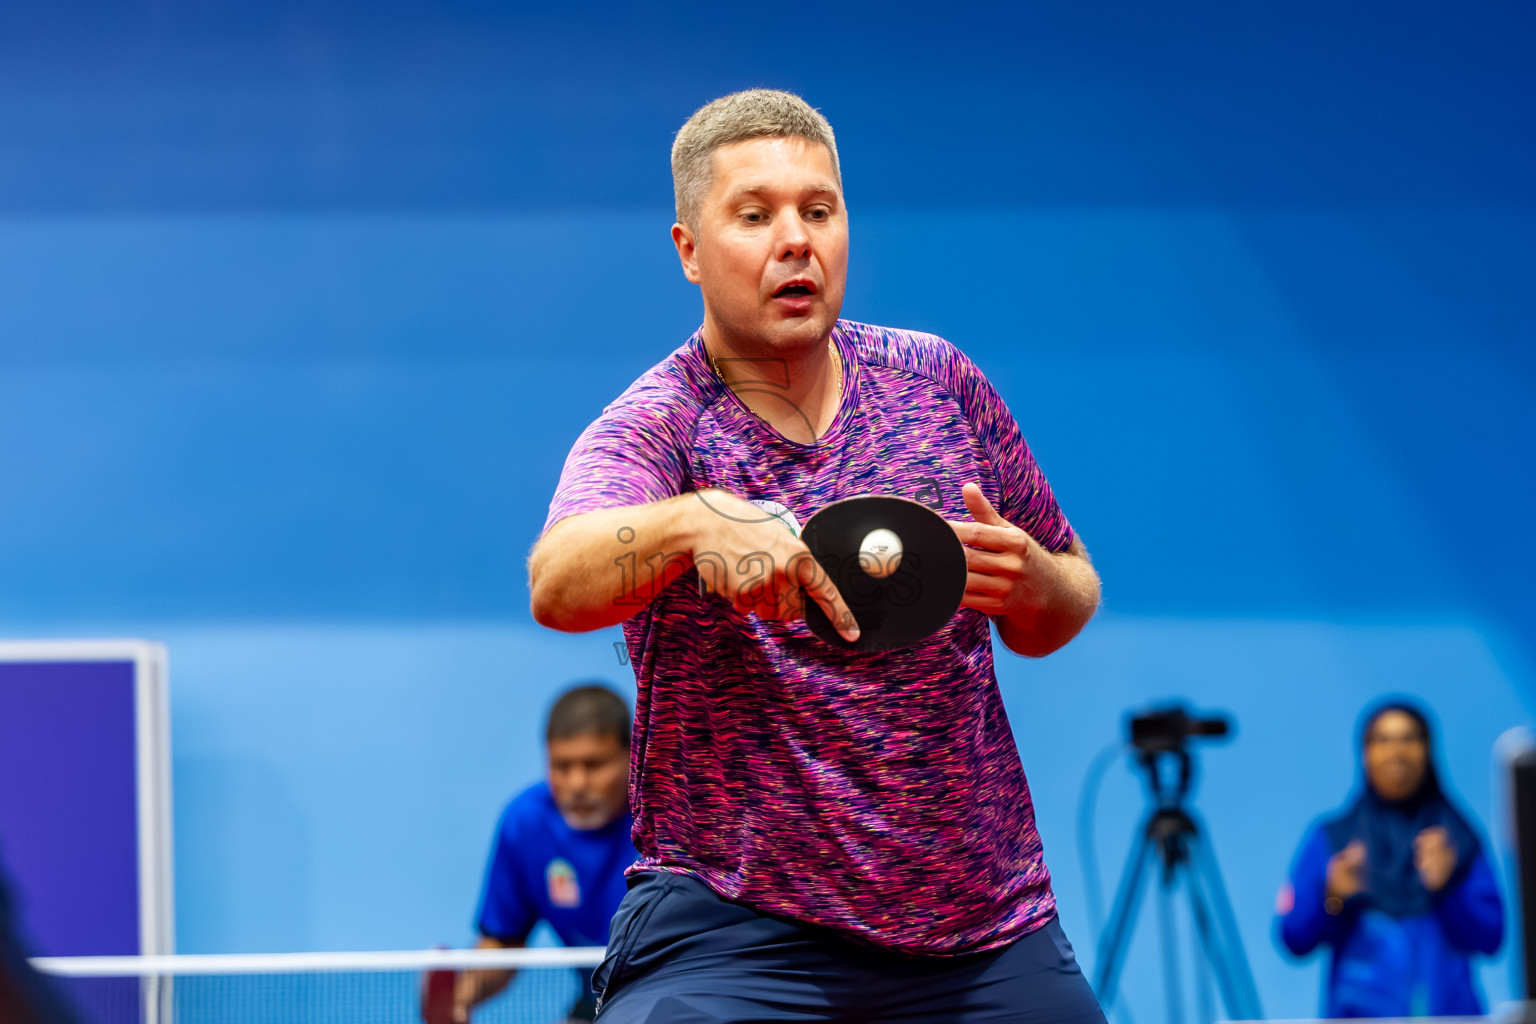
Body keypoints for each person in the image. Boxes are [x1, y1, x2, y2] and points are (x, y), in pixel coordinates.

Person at [527, 89, 1104, 1023]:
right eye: (754, 215)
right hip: (735, 929)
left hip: (981, 930)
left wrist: (1034, 583)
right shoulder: (660, 427)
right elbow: (557, 580)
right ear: (688, 250)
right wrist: (694, 523)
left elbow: (1070, 595)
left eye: (819, 211)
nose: (795, 239)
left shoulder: (941, 385)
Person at [1276, 699, 1504, 1018]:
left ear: (1428, 750)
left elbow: (1491, 938)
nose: (1396, 752)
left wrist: (1447, 888)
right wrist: (1333, 898)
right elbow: (1294, 939)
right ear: (1365, 754)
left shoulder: (1456, 840)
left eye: (1409, 739)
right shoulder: (1334, 840)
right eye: (1382, 741)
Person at [446, 683, 636, 1024]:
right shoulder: (526, 823)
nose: (577, 784)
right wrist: (462, 995)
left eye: (594, 764)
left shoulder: (666, 818)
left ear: (633, 755)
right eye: (562, 766)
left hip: (673, 986)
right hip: (595, 997)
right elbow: (503, 944)